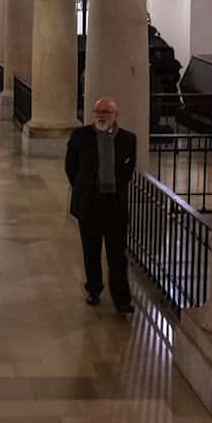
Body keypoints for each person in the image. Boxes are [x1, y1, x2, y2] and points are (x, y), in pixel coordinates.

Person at [65, 97, 138, 316]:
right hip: (89, 202)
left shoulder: (128, 139)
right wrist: (82, 187)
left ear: (116, 115)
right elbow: (70, 166)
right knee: (91, 251)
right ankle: (94, 289)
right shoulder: (80, 136)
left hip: (114, 204)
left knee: (117, 255)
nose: (101, 115)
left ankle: (122, 299)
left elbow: (128, 169)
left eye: (106, 112)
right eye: (98, 111)